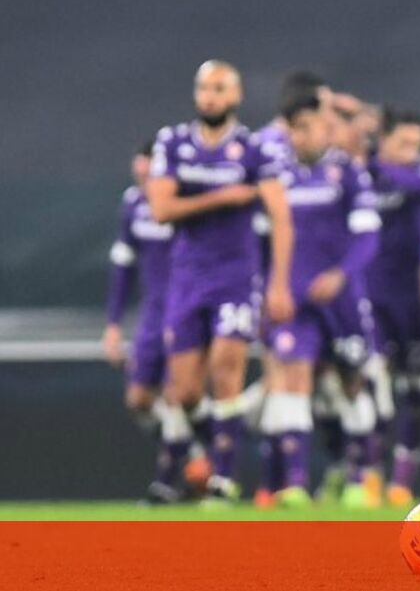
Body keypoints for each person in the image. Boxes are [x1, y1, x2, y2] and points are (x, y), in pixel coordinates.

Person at [147, 60, 295, 505]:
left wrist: (279, 284)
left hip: (235, 277)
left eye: (218, 89)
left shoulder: (254, 149)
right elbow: (161, 209)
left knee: (226, 370)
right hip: (187, 277)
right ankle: (213, 449)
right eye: (203, 88)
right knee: (185, 391)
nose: (209, 97)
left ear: (236, 95)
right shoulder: (173, 142)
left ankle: (224, 480)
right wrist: (223, 197)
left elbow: (281, 217)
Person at [258, 92, 382, 508]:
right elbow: (261, 240)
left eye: (313, 128)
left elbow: (368, 236)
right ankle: (295, 483)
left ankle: (359, 478)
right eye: (299, 129)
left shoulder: (347, 173)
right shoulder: (275, 177)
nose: (305, 136)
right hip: (294, 300)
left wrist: (340, 274)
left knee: (351, 383)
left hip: (342, 299)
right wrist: (269, 289)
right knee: (294, 379)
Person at [367, 108, 420, 506]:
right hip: (372, 294)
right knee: (374, 383)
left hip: (416, 298)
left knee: (417, 390)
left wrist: (375, 162)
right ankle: (369, 474)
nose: (412, 153)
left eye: (417, 145)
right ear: (383, 139)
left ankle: (401, 482)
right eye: (404, 144)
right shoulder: (360, 176)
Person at [103, 141, 184, 503]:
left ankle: (167, 482)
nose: (143, 179)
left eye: (149, 174)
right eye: (139, 174)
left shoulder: (185, 204)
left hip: (184, 309)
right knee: (139, 399)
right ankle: (193, 450)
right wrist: (113, 324)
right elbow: (123, 265)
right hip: (152, 314)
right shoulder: (134, 204)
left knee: (177, 394)